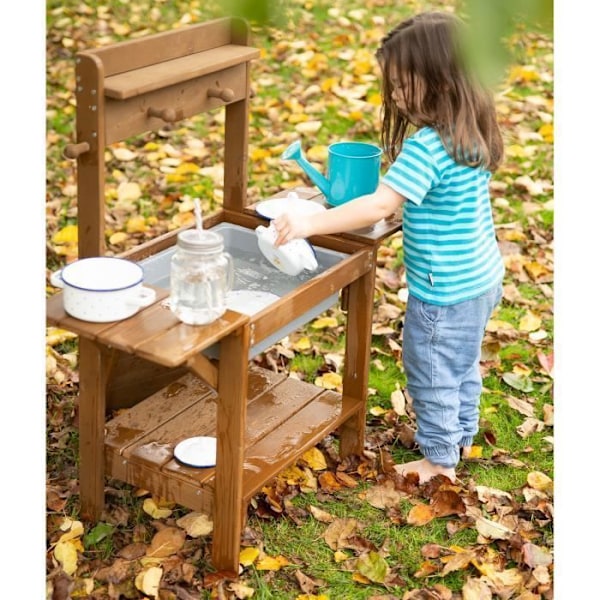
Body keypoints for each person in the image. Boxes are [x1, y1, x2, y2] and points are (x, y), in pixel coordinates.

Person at [273, 11, 505, 484]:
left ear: (439, 80)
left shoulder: (427, 146)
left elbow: (378, 205)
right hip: (481, 279)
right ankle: (460, 432)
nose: (395, 96)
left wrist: (308, 222)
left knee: (430, 368)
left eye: (402, 84)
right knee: (461, 362)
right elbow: (441, 200)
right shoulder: (471, 130)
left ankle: (439, 461)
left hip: (443, 291)